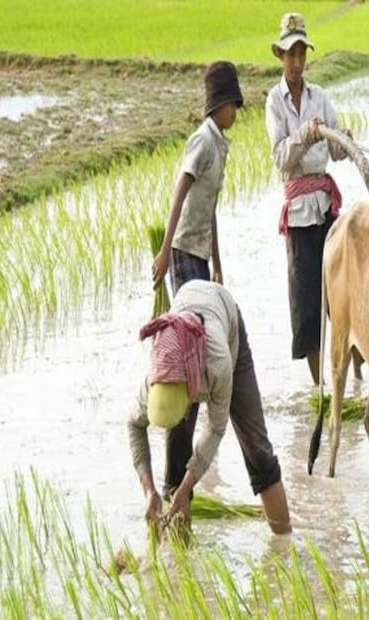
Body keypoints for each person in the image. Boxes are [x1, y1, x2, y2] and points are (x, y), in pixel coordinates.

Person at [128, 280, 292, 535]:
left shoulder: (218, 364)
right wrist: (148, 490)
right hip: (185, 324)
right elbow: (134, 424)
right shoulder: (157, 374)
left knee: (257, 450)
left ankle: (284, 545)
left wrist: (187, 487)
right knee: (175, 462)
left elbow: (216, 429)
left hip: (225, 323)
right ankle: (178, 561)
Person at [151, 60, 243, 502]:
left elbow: (211, 210)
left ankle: (188, 461)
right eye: (233, 106)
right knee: (192, 350)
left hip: (201, 255)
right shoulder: (202, 141)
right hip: (183, 254)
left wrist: (219, 265)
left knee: (201, 351)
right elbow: (181, 191)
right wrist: (166, 249)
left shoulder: (221, 145)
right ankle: (177, 471)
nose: (237, 114)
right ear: (220, 105)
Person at [264, 12, 361, 387]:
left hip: (327, 209)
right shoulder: (275, 102)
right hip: (300, 215)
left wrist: (344, 140)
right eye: (290, 54)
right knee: (307, 306)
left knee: (343, 294)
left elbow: (335, 150)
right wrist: (305, 134)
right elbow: (280, 157)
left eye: (302, 53)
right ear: (281, 56)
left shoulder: (320, 96)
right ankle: (320, 385)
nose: (297, 62)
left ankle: (352, 377)